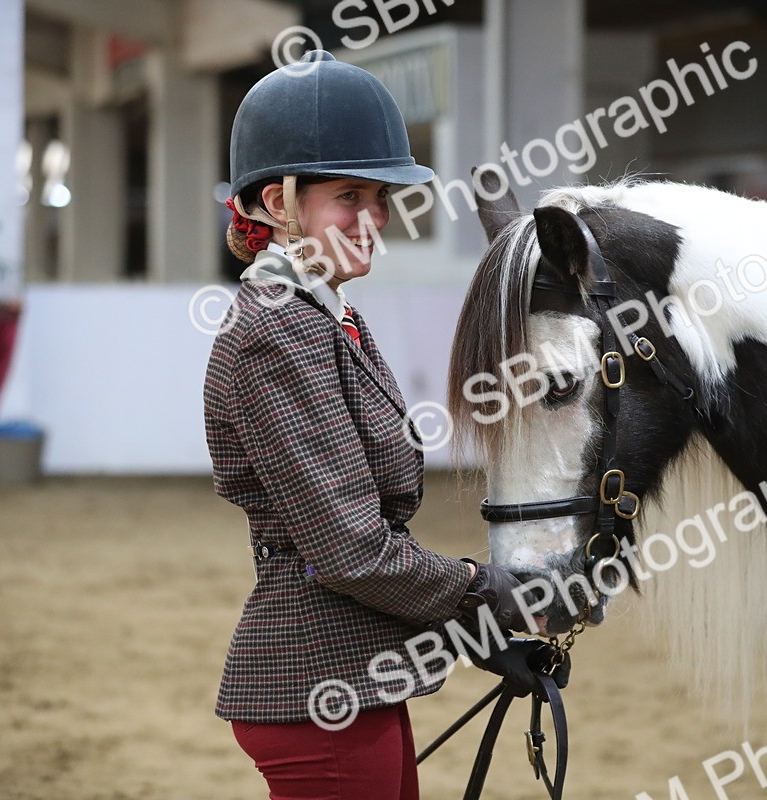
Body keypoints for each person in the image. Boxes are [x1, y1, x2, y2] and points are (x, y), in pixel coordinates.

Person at [203, 51, 567, 800]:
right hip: (319, 686)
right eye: (349, 197)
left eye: (381, 198)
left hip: (357, 674)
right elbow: (350, 553)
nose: (374, 220)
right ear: (278, 201)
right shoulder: (278, 332)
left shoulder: (329, 317)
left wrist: (477, 634)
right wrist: (484, 590)